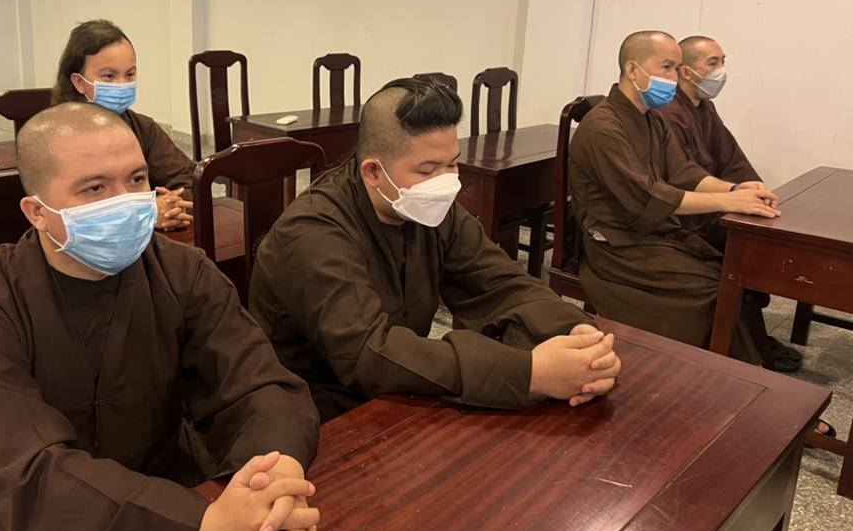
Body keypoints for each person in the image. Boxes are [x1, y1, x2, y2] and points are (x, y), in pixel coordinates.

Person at [0, 103, 320, 531]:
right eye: (95, 188)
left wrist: (275, 474)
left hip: (168, 491)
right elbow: (31, 473)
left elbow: (260, 387)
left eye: (137, 179)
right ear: (37, 212)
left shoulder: (183, 272)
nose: (127, 201)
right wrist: (201, 525)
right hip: (28, 527)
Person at [249, 77, 621, 423]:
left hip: (401, 389)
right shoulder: (314, 232)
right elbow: (368, 354)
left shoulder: (426, 207)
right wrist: (530, 374)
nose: (445, 183)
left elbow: (500, 282)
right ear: (373, 172)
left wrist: (576, 336)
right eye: (427, 170)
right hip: (317, 413)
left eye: (452, 163)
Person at [569, 30, 780, 365]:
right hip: (617, 245)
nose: (673, 78)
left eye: (676, 68)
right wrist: (727, 202)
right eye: (666, 67)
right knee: (714, 290)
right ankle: (714, 372)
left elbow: (683, 172)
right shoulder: (602, 127)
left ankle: (746, 364)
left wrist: (735, 190)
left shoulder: (652, 118)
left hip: (655, 231)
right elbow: (648, 195)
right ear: (633, 69)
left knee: (729, 271)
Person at [659, 35, 802, 371]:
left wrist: (754, 188)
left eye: (723, 61)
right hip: (688, 212)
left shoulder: (704, 107)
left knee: (761, 230)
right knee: (747, 251)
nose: (721, 70)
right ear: (685, 71)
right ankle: (746, 344)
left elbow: (730, 157)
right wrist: (733, 193)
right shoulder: (668, 111)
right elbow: (681, 174)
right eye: (713, 63)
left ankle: (751, 335)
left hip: (714, 201)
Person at [51, 19, 194, 231]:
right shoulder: (57, 137)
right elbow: (69, 211)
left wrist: (172, 207)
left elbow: (188, 179)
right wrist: (147, 213)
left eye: (130, 74)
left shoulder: (143, 128)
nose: (122, 85)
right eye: (109, 76)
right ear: (78, 82)